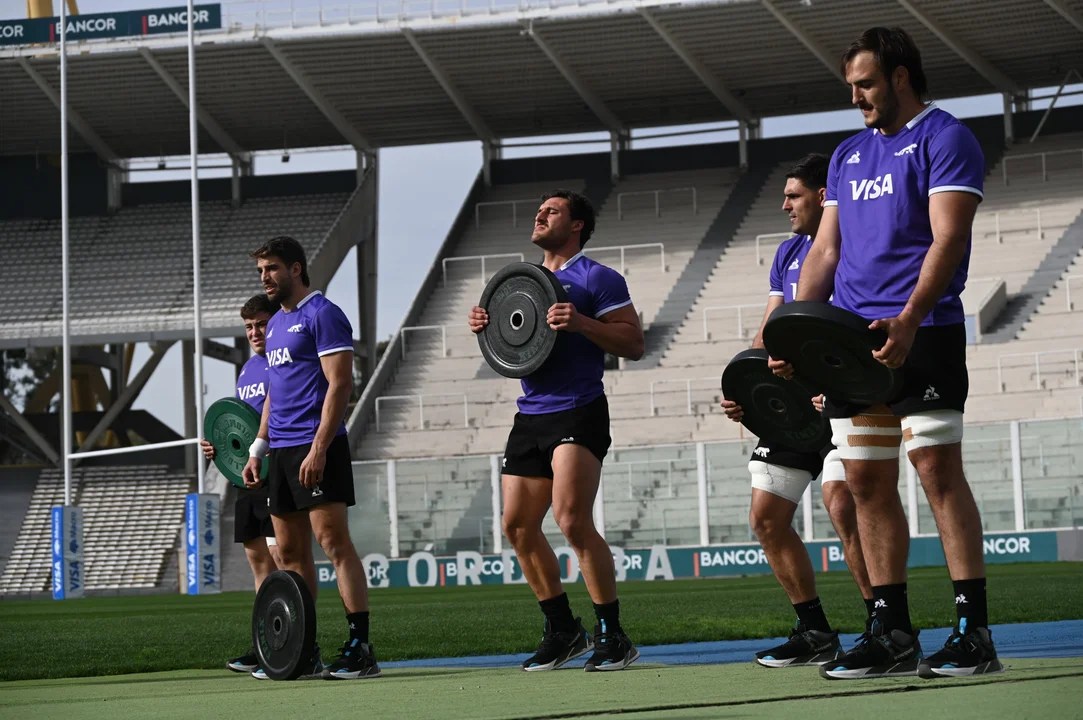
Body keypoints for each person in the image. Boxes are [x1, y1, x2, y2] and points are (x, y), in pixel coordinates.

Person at [786, 27, 1001, 680]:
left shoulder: (945, 138)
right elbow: (825, 251)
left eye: (866, 84)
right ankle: (891, 630)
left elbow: (948, 239)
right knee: (864, 482)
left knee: (936, 471)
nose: (855, 97)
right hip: (851, 343)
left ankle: (972, 631)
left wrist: (908, 319)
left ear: (900, 77)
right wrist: (792, 334)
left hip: (923, 331)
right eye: (850, 86)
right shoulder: (847, 155)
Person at [468, 190, 645, 672]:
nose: (540, 214)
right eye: (540, 209)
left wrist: (582, 322)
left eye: (552, 210)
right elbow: (513, 346)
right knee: (517, 526)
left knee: (571, 520)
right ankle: (564, 630)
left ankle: (613, 635)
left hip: (578, 408)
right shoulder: (522, 284)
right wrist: (488, 325)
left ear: (577, 225)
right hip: (531, 414)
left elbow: (634, 343)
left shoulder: (598, 278)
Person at [721, 153, 874, 668]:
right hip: (793, 408)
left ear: (823, 196)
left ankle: (883, 626)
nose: (784, 204)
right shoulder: (787, 253)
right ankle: (815, 632)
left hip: (841, 400)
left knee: (842, 504)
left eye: (794, 195)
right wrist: (746, 386)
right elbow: (770, 332)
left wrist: (829, 379)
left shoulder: (855, 245)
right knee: (765, 518)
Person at [242, 235, 380, 681]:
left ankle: (361, 648)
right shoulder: (276, 325)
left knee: (334, 544)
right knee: (289, 553)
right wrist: (259, 448)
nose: (265, 277)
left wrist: (319, 447)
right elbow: (273, 394)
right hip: (281, 451)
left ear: (296, 269)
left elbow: (341, 384)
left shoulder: (323, 314)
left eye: (272, 269)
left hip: (318, 444)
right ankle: (305, 651)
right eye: (261, 271)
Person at [201, 294, 284, 674]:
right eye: (249, 327)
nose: (255, 332)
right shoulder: (248, 370)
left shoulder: (284, 363)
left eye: (261, 324)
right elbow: (238, 426)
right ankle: (266, 643)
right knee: (257, 561)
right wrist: (217, 447)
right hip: (246, 477)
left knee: (282, 557)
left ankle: (294, 642)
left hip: (276, 469)